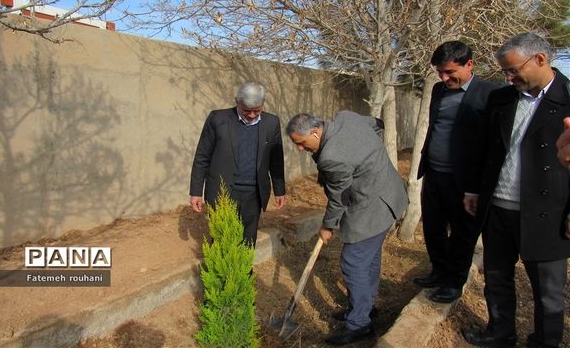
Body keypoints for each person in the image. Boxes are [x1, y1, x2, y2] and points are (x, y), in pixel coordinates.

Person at [462, 33, 570, 348]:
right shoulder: (501, 98)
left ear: (540, 59)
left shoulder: (567, 99)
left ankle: (545, 342)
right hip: (498, 208)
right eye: (504, 72)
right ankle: (500, 331)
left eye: (513, 70)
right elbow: (486, 150)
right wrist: (474, 188)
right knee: (497, 278)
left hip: (548, 213)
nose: (508, 78)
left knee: (548, 292)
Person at [286, 111, 408, 346]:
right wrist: (371, 158)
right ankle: (365, 308)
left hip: (372, 206)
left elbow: (338, 199)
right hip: (390, 193)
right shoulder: (347, 117)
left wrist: (327, 227)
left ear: (314, 132)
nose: (300, 149)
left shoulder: (331, 157)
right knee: (368, 258)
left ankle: (358, 325)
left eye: (300, 143)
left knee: (354, 261)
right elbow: (378, 125)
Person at [414, 41, 500, 303]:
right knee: (433, 227)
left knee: (462, 233)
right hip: (434, 174)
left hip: (465, 182)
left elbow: (492, 143)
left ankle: (454, 281)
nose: (444, 77)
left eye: (450, 72)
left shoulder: (490, 93)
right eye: (440, 72)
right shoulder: (439, 91)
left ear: (469, 64)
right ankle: (439, 271)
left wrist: (477, 186)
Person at [189, 82, 286, 247]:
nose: (252, 115)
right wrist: (196, 191)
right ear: (237, 102)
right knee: (220, 239)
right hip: (223, 192)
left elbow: (276, 159)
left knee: (248, 240)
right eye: (247, 110)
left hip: (253, 194)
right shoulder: (218, 119)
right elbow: (202, 156)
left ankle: (244, 273)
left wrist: (280, 190)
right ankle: (219, 272)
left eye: (257, 110)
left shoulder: (272, 122)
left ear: (263, 104)